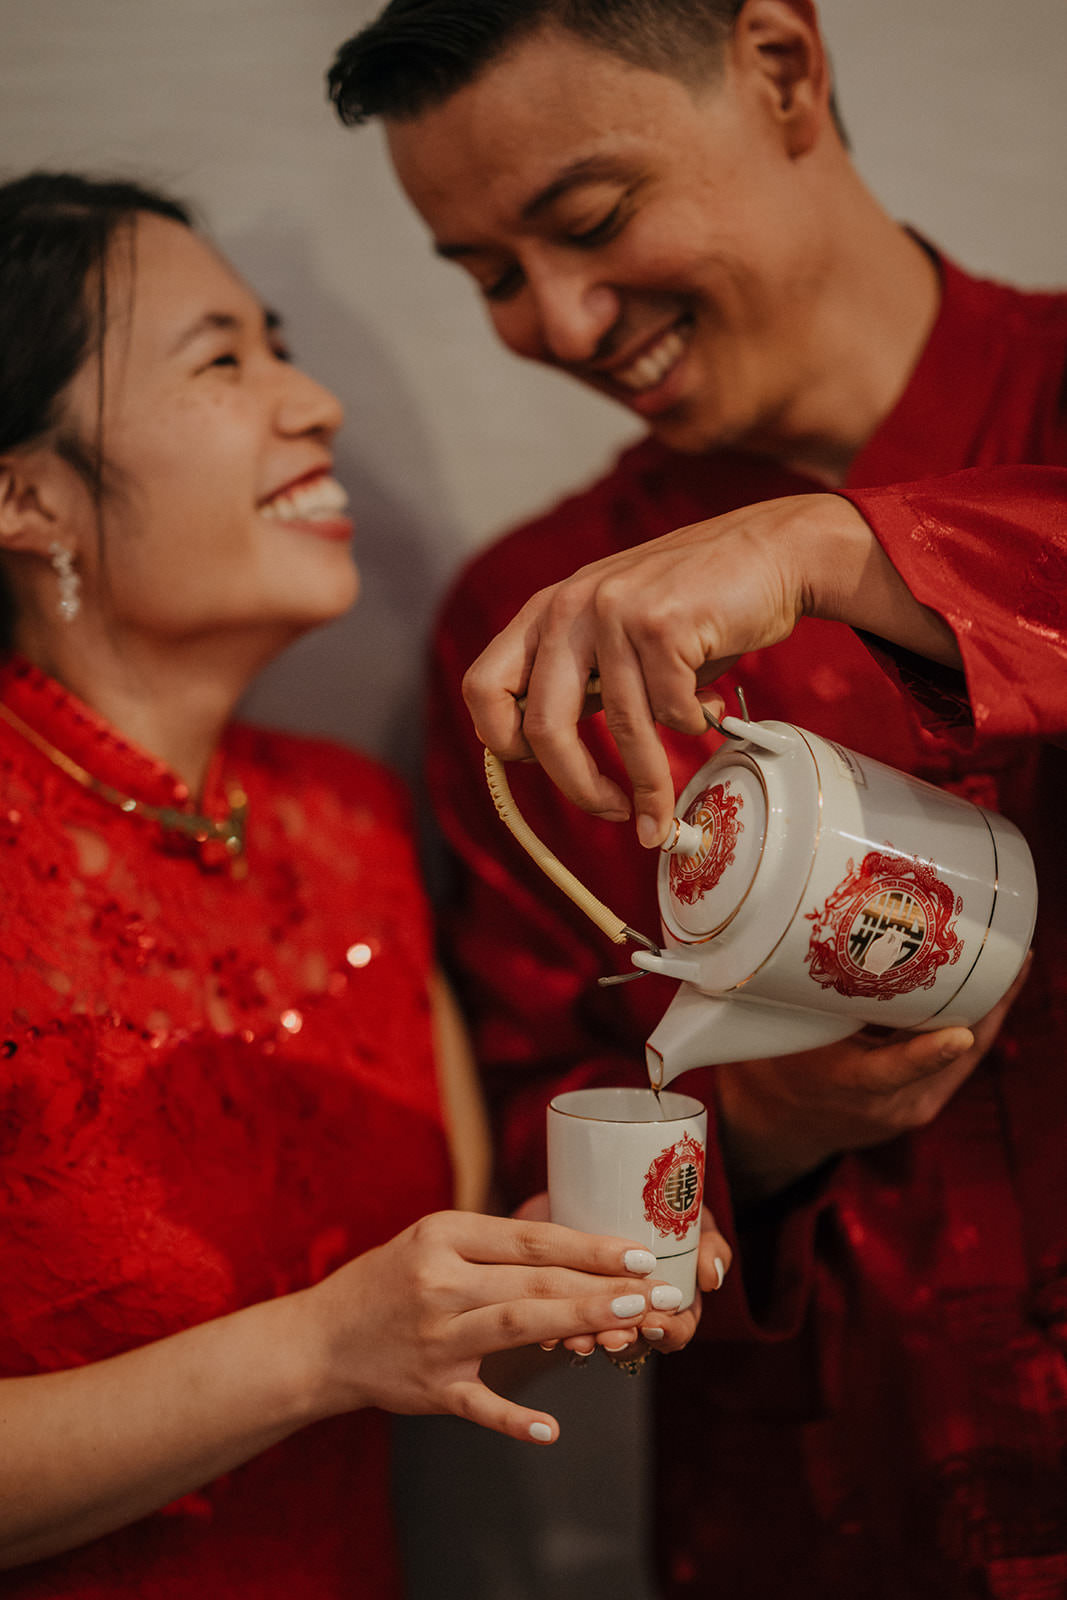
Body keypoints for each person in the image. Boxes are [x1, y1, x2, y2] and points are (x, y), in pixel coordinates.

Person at [328, 2, 1067, 1594]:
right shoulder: (532, 629)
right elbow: (538, 1114)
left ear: (783, 70)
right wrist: (756, 1132)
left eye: (589, 222)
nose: (568, 320)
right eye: (489, 278)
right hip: (841, 1488)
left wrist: (833, 551)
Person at [0, 172, 700, 1598]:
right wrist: (318, 1348)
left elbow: (425, 1298)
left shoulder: (342, 817)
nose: (313, 400)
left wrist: (593, 1265)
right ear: (25, 495)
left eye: (281, 344)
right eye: (222, 359)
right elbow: (348, 1333)